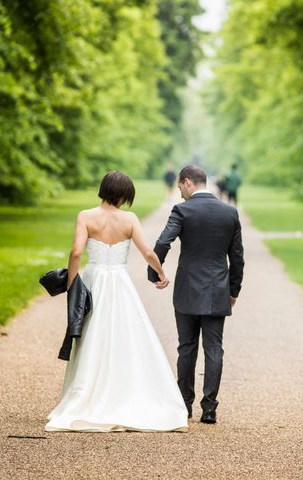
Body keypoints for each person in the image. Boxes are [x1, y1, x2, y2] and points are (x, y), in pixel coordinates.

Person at [45, 171, 188, 433]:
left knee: (91, 335)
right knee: (125, 335)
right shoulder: (129, 219)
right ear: (123, 195)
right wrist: (161, 273)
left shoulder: (86, 217)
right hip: (120, 283)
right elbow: (147, 251)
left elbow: (76, 252)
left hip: (94, 280)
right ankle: (124, 392)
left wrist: (71, 284)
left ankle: (86, 393)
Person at [148, 165, 244, 424]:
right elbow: (237, 258)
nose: (180, 193)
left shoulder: (182, 210)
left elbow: (163, 241)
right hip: (217, 289)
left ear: (188, 182)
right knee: (214, 348)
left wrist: (154, 271)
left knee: (186, 347)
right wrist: (233, 290)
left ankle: (185, 404)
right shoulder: (229, 212)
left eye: (180, 187)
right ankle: (210, 408)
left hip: (187, 288)